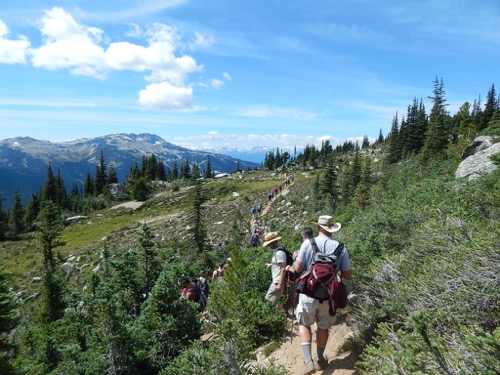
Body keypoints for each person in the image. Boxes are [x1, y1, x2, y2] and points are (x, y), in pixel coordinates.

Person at [286, 216, 352, 375]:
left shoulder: (307, 243)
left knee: (304, 324)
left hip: (308, 292)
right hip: (329, 295)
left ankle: (308, 361)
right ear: (332, 229)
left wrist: (294, 261)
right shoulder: (341, 248)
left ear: (318, 228)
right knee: (323, 326)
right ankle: (320, 357)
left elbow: (298, 268)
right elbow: (348, 275)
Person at [262, 232, 287, 311]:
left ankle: (276, 318)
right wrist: (272, 264)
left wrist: (279, 284)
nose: (268, 246)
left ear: (273, 242)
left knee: (269, 300)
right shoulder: (277, 250)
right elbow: (279, 264)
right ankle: (282, 314)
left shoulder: (279, 252)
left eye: (269, 244)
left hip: (277, 281)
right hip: (277, 280)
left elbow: (283, 268)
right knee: (275, 300)